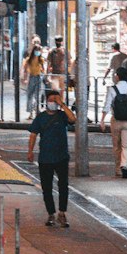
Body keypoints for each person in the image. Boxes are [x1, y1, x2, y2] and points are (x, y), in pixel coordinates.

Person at [27, 90, 75, 227]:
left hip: (61, 156)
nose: (53, 103)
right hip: (45, 158)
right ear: (46, 101)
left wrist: (63, 105)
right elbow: (33, 135)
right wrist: (30, 151)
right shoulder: (41, 117)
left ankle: (62, 213)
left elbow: (73, 119)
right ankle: (51, 214)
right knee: (47, 188)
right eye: (52, 100)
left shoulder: (62, 115)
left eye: (56, 100)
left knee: (63, 186)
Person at [101, 65, 127, 179]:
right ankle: (125, 165)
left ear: (117, 76)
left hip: (116, 120)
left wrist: (102, 120)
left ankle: (118, 169)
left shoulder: (112, 89)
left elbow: (107, 105)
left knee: (117, 146)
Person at [22, 40, 46, 114]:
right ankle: (30, 111)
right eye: (36, 50)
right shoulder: (28, 59)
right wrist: (25, 78)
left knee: (37, 95)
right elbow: (25, 69)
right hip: (31, 77)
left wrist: (44, 75)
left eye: (39, 51)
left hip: (38, 77)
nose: (38, 52)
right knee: (30, 94)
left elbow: (43, 69)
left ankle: (37, 110)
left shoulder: (41, 60)